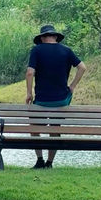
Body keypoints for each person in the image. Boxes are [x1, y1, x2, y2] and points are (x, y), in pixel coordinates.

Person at [26, 23, 87, 169]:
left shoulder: (36, 50)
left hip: (41, 99)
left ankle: (39, 160)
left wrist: (29, 93)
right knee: (55, 128)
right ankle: (50, 162)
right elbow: (82, 67)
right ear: (55, 37)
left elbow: (29, 73)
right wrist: (72, 86)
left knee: (34, 128)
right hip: (61, 100)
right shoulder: (66, 50)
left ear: (42, 38)